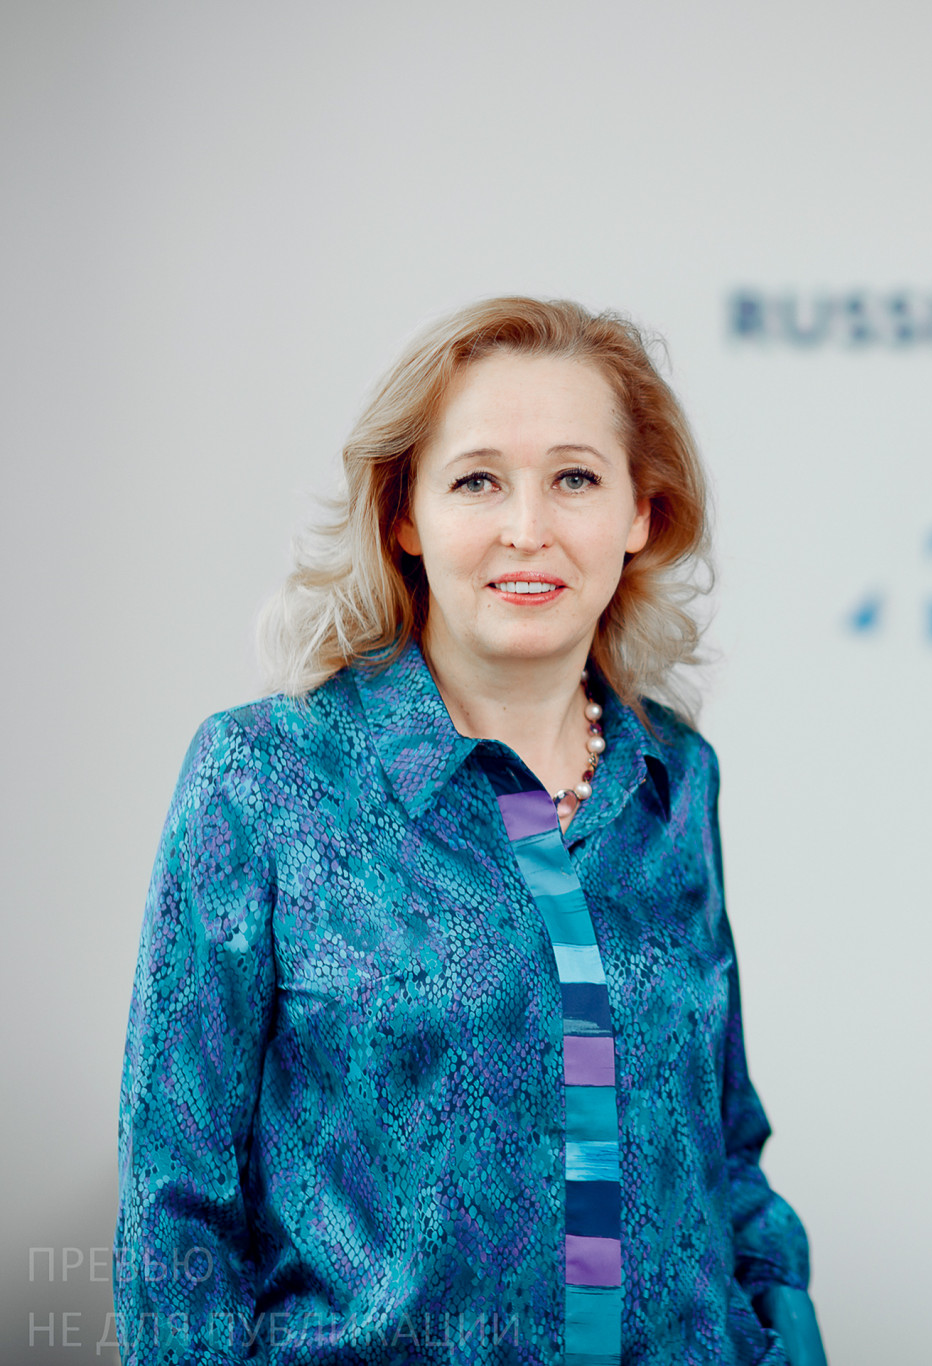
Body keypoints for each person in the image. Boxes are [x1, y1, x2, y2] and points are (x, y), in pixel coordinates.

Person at [115, 298, 827, 1366]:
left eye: (575, 479)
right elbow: (175, 1198)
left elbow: (720, 1146)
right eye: (477, 480)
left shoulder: (675, 776)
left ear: (640, 513)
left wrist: (787, 1331)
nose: (527, 529)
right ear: (403, 514)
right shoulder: (262, 775)